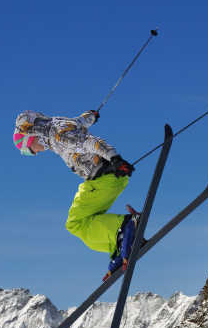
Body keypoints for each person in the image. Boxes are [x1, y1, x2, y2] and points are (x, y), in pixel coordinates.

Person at [13, 109, 138, 280]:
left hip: (103, 178)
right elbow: (80, 122)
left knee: (75, 223)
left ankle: (126, 227)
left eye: (29, 150)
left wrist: (115, 158)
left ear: (31, 136)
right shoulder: (58, 125)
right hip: (107, 180)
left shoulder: (58, 135)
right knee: (87, 222)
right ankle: (120, 243)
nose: (35, 153)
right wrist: (91, 117)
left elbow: (90, 141)